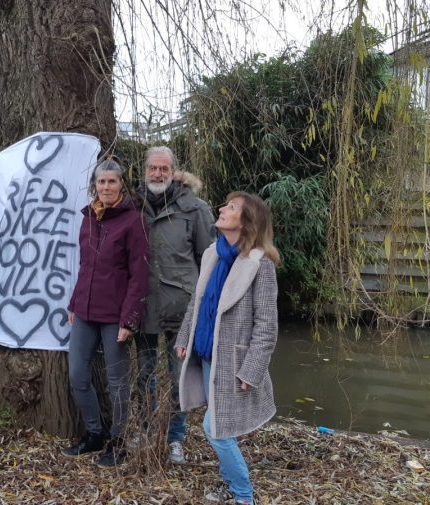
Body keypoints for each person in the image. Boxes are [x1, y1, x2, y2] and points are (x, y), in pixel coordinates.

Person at [174, 192, 280, 505]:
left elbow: (266, 325)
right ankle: (232, 488)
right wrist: (184, 338)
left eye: (231, 207)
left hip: (233, 363)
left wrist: (252, 368)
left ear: (246, 222)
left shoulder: (260, 265)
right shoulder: (212, 254)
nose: (222, 209)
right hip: (207, 355)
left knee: (216, 430)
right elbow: (198, 302)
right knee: (220, 426)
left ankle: (244, 497)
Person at [62, 155, 149, 467]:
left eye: (112, 181)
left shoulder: (132, 220)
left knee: (117, 384)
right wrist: (74, 303)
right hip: (84, 312)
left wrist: (129, 319)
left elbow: (139, 276)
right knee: (77, 374)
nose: (107, 187)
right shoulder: (89, 217)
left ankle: (120, 440)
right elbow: (86, 266)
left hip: (115, 318)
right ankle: (94, 433)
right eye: (101, 181)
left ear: (121, 184)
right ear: (94, 185)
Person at [135, 146, 215, 464]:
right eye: (153, 168)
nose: (157, 174)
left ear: (173, 172)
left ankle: (174, 439)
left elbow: (208, 260)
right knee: (144, 375)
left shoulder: (194, 209)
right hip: (142, 306)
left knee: (178, 377)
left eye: (163, 169)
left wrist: (204, 304)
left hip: (181, 308)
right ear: (144, 171)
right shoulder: (133, 206)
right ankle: (147, 431)